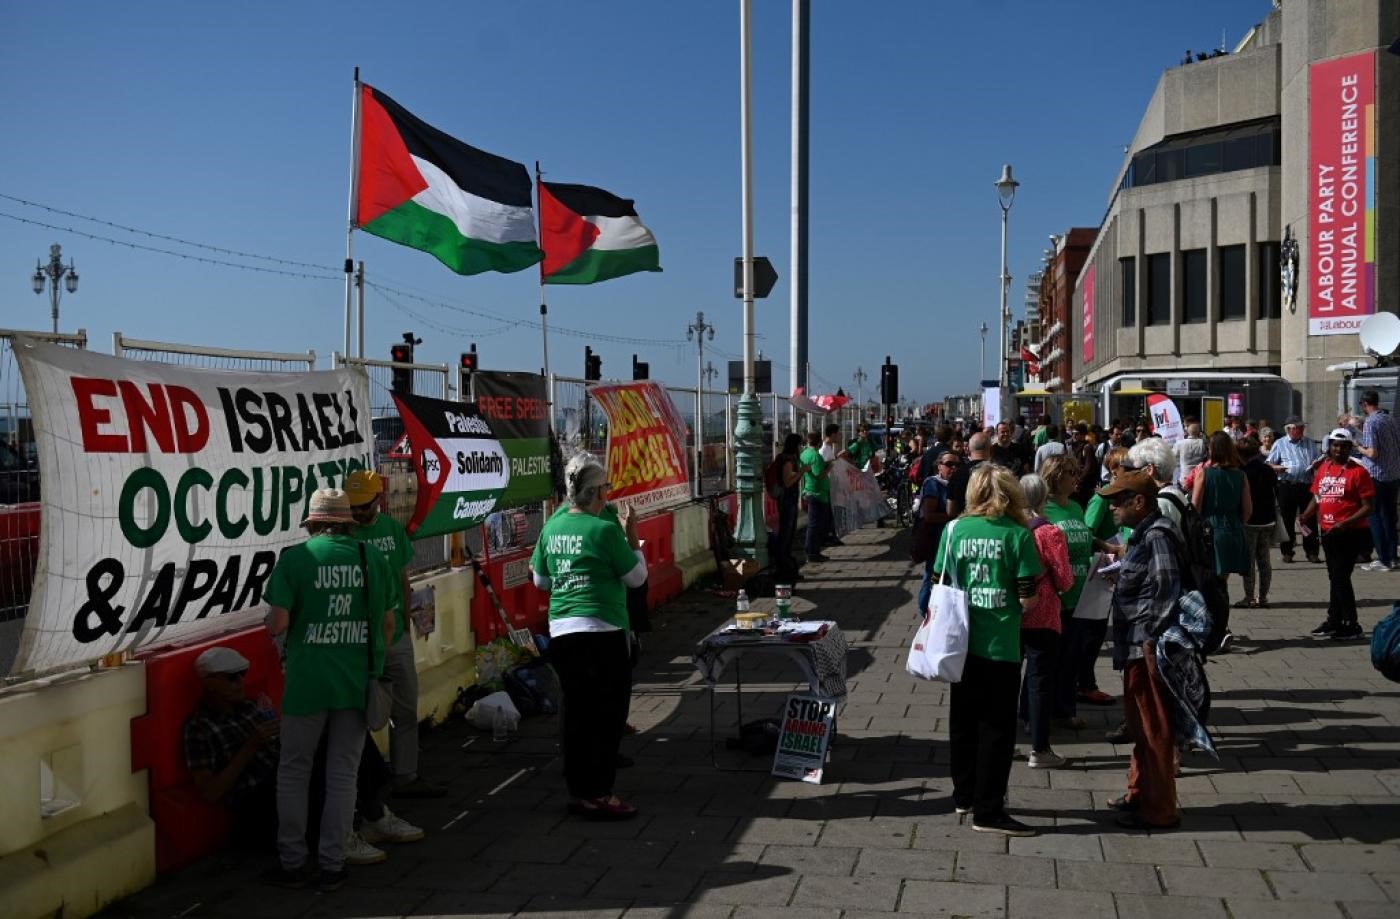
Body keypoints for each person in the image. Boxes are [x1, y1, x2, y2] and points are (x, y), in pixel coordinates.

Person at [263, 488, 394, 890]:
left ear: (313, 523)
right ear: (347, 522)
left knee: (294, 771)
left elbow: (278, 622)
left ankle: (292, 861)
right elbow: (388, 625)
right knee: (343, 774)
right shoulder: (371, 558)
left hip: (306, 682)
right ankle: (333, 863)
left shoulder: (296, 560)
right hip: (355, 682)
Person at [530, 453, 647, 820]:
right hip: (603, 630)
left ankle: (579, 788)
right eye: (606, 488)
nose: (608, 494)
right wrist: (634, 540)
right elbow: (636, 578)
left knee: (577, 711)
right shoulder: (604, 529)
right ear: (595, 492)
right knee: (607, 714)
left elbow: (540, 581)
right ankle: (599, 792)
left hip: (564, 631)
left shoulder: (552, 527)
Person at [932, 464, 1041, 836]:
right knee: (996, 729)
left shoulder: (954, 530)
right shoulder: (1018, 535)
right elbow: (1029, 599)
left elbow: (937, 580)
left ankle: (964, 795)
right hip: (1000, 644)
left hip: (958, 643)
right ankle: (989, 809)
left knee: (962, 722)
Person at [343, 470, 443, 800]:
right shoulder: (344, 535)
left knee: (405, 709)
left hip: (395, 635)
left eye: (364, 505)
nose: (358, 512)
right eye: (353, 506)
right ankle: (364, 782)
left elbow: (403, 576)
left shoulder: (391, 529)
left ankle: (406, 775)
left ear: (378, 499)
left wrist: (407, 616)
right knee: (360, 715)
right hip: (360, 640)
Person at [1099, 470, 1183, 829]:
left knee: (1153, 730)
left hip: (1145, 647)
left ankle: (1159, 808)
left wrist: (1152, 637)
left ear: (1140, 502)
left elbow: (1167, 586)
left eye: (1119, 500)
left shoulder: (1157, 534)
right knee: (1140, 726)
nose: (1113, 507)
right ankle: (1139, 794)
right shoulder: (1143, 534)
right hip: (1135, 645)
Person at [184, 647, 282, 848]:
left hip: (283, 778)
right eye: (231, 678)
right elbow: (211, 792)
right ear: (210, 683)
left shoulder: (249, 706)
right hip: (256, 800)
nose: (240, 683)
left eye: (242, 675)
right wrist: (251, 745)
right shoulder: (199, 727)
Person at [1039, 455, 1104, 719]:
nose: (1076, 478)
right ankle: (1039, 713)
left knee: (1071, 658)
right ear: (1055, 476)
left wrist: (1105, 548)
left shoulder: (1077, 507)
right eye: (1070, 473)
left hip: (1079, 592)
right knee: (1048, 661)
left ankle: (1065, 710)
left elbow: (1087, 538)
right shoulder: (1043, 510)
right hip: (1053, 595)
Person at [1017, 474, 1074, 769]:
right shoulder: (1049, 533)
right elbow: (1064, 580)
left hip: (1012, 613)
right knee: (1040, 681)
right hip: (1043, 614)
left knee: (1007, 678)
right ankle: (1040, 749)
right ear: (1043, 498)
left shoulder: (1011, 529)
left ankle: (1009, 741)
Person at [1301, 429, 1374, 641]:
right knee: (1334, 577)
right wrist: (1306, 514)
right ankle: (1333, 620)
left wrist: (1346, 522)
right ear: (1329, 447)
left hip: (1350, 532)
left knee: (1341, 577)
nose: (1338, 449)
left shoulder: (1358, 472)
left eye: (1343, 446)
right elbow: (1318, 496)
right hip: (1328, 531)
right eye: (1335, 445)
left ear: (1350, 448)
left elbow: (1368, 507)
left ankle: (1352, 623)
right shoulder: (1324, 468)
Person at [1192, 432, 1252, 595]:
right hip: (1233, 529)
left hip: (1210, 530)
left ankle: (1211, 614)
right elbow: (1248, 511)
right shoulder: (1241, 475)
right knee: (1222, 581)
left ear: (1212, 450)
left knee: (1208, 580)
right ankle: (1221, 612)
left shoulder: (1204, 473)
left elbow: (1194, 507)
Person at [1266, 416, 1322, 563]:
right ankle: (1287, 552)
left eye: (1302, 427)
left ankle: (1312, 552)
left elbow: (1317, 461)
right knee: (1287, 520)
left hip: (1306, 485)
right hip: (1286, 485)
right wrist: (1278, 467)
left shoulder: (1309, 443)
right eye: (1299, 427)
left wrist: (1316, 464)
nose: (1302, 429)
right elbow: (1269, 464)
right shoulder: (1280, 443)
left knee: (1309, 518)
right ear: (1290, 429)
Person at [1355, 389, 1400, 571]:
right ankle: (1393, 556)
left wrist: (1359, 448)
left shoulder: (1371, 422)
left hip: (1376, 474)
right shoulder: (1390, 419)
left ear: (1365, 404)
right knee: (1390, 516)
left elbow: (1372, 452)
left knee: (1374, 516)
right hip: (1393, 473)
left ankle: (1383, 559)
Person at [913, 450, 958, 614]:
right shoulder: (933, 484)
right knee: (932, 572)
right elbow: (929, 515)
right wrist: (953, 517)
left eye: (957, 465)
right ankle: (924, 610)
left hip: (950, 538)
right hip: (936, 538)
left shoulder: (957, 484)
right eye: (949, 464)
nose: (953, 468)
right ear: (939, 466)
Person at [1238, 437, 1278, 609]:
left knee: (1249, 560)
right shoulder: (1268, 470)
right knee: (1264, 560)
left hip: (1250, 520)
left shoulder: (1242, 472)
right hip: (1268, 520)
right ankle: (1263, 597)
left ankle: (1249, 596)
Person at [772, 433, 806, 582]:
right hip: (787, 501)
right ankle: (783, 569)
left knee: (788, 534)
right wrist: (801, 472)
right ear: (795, 445)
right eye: (800, 444)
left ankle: (786, 568)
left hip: (788, 501)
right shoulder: (787, 461)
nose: (801, 447)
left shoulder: (786, 458)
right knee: (786, 535)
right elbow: (787, 482)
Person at [800, 430, 835, 563]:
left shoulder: (804, 454)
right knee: (816, 525)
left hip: (809, 490)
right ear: (819, 441)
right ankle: (812, 553)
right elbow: (819, 475)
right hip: (818, 494)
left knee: (814, 524)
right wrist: (829, 467)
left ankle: (813, 551)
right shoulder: (816, 456)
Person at [946, 432, 990, 518]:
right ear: (990, 449)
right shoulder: (1000, 474)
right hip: (993, 525)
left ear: (969, 450)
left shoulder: (957, 475)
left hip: (964, 525)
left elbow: (950, 511)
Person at [1174, 422, 1205, 488]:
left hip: (1184, 477)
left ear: (1188, 431)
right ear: (1199, 432)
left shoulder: (1180, 443)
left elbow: (1173, 455)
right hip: (1198, 475)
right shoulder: (1202, 442)